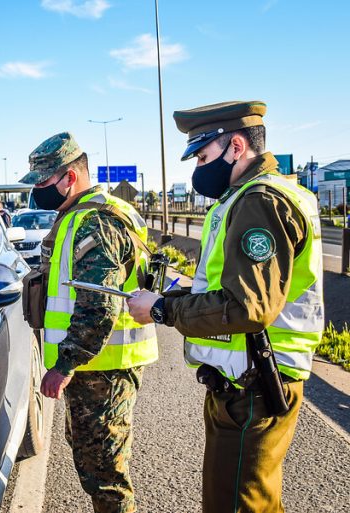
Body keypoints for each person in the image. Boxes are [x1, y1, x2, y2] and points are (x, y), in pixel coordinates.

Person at [126, 101, 324, 513]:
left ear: (236, 146)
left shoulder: (260, 201)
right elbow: (223, 288)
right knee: (251, 501)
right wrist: (165, 301)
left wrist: (163, 310)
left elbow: (248, 307)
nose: (198, 168)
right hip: (245, 384)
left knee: (235, 505)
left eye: (202, 156)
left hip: (255, 388)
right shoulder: (244, 198)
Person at [21, 132, 157, 513]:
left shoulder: (95, 221)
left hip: (103, 368)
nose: (38, 193)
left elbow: (99, 305)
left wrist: (64, 365)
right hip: (95, 366)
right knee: (94, 466)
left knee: (106, 478)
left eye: (43, 183)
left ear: (69, 177)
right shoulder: (84, 215)